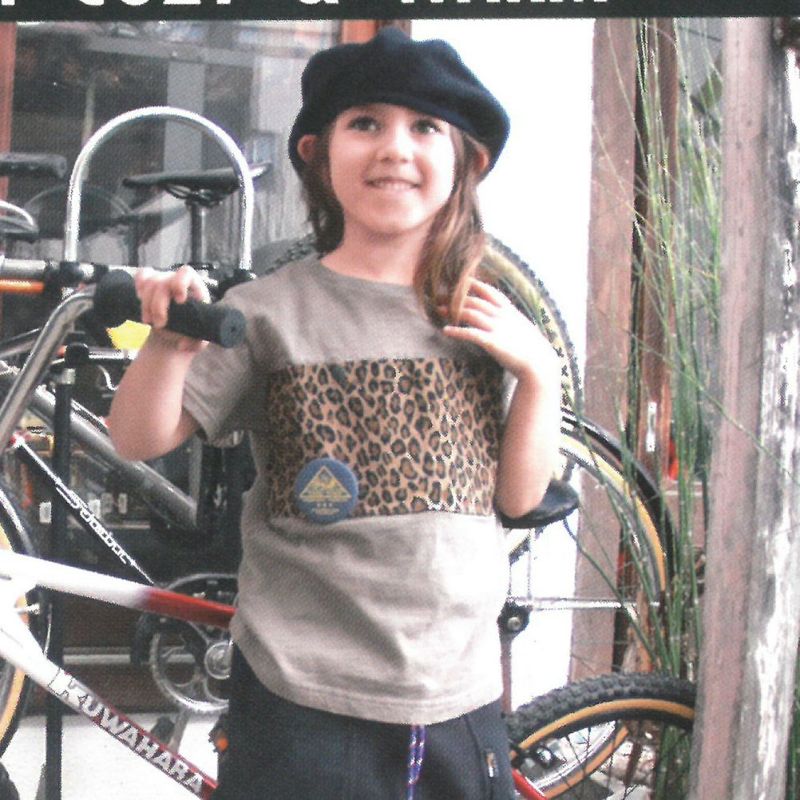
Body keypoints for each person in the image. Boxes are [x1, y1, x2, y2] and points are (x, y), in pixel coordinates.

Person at [107, 26, 561, 800]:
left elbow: (519, 498)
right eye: (366, 123)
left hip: (459, 698)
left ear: (468, 162)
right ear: (317, 154)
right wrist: (171, 343)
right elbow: (136, 436)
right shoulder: (267, 310)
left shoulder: (486, 315)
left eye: (425, 127)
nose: (395, 148)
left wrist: (540, 375)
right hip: (300, 701)